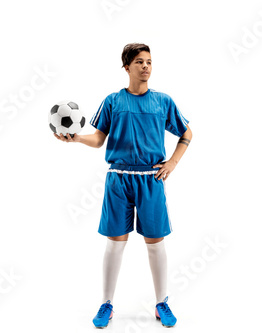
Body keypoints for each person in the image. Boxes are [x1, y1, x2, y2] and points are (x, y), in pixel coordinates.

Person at [54, 43, 192, 328]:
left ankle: (162, 302)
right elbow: (98, 138)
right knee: (115, 243)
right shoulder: (113, 101)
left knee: (155, 243)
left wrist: (173, 163)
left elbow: (187, 133)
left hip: (150, 180)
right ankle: (106, 304)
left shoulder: (163, 101)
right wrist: (77, 138)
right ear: (126, 67)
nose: (146, 66)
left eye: (149, 62)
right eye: (139, 62)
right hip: (118, 178)